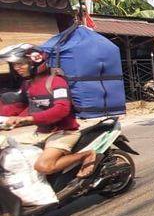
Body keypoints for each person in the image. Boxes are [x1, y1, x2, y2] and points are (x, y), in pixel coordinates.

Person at [0, 44, 97, 178]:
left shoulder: (56, 82)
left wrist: (28, 119)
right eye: (14, 65)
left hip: (64, 133)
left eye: (20, 64)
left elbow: (61, 109)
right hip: (41, 132)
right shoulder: (27, 84)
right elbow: (19, 105)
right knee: (8, 154)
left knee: (43, 166)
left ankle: (86, 155)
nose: (17, 68)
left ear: (35, 62)